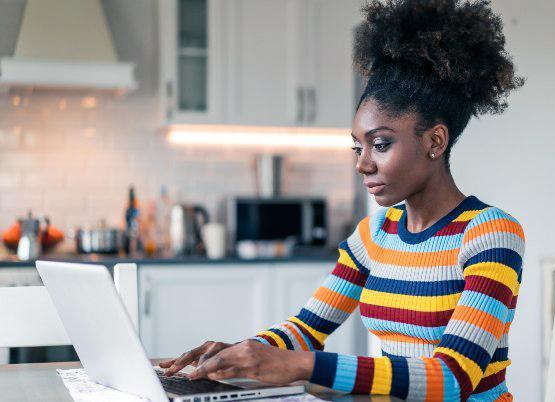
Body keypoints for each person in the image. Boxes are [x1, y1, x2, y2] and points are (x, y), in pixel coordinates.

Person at [161, 0, 525, 400]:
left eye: (381, 144)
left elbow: (452, 379)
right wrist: (240, 353)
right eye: (358, 147)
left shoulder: (491, 233)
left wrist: (302, 366)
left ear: (434, 141)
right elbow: (306, 329)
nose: (363, 164)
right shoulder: (374, 235)